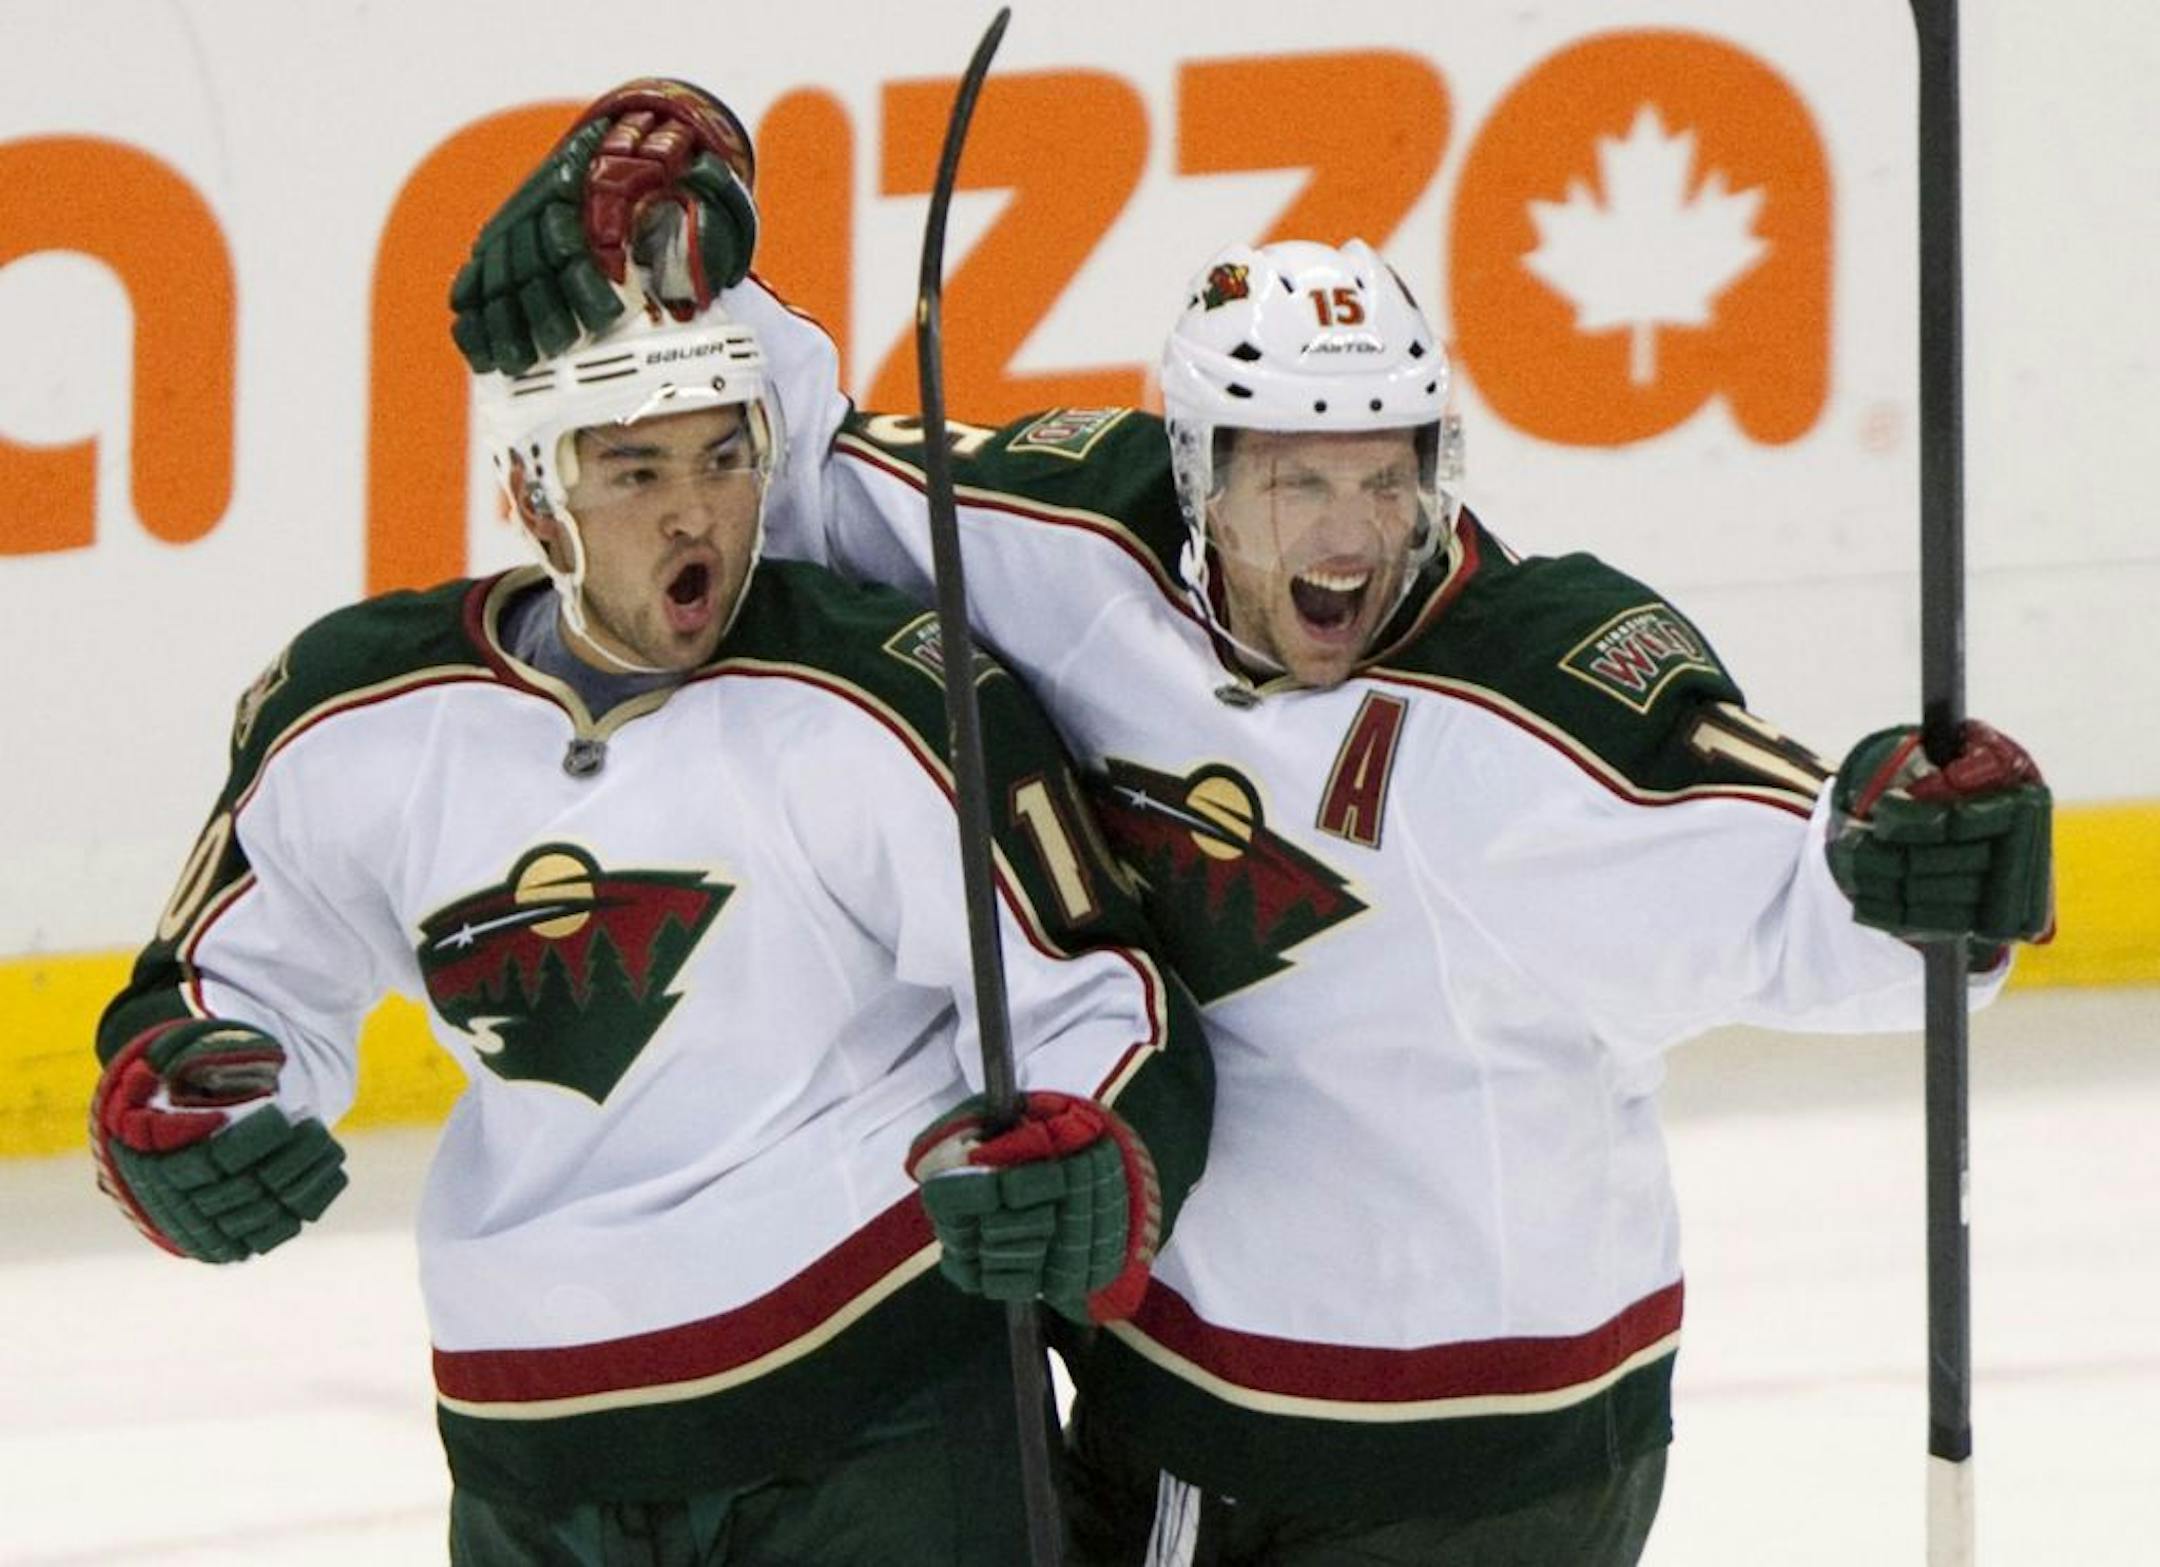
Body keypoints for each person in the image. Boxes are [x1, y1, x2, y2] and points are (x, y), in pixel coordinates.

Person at [461, 101, 2052, 1566]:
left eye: (1386, 477)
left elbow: (1807, 886)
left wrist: (1930, 863)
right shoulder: (1074, 541)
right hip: (1172, 1428)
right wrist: (662, 231)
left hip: (1495, 1475)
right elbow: (810, 471)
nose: (1351, 533)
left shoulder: (1546, 692)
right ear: (1200, 473)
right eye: (1296, 481)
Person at [88, 144, 1214, 1565]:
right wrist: (188, 1115)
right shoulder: (358, 713)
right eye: (636, 469)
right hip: (532, 1443)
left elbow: (1096, 991)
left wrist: (1099, 1142)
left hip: (884, 1416)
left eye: (727, 456)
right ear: (535, 495)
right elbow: (222, 993)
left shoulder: (894, 697)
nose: (696, 511)